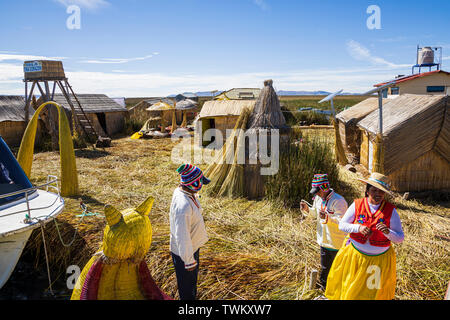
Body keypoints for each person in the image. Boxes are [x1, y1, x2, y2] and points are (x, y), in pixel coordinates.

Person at [325, 172, 404, 300]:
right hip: (355, 258)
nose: (378, 194)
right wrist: (358, 228)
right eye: (374, 190)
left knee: (371, 292)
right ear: (367, 191)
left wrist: (388, 232)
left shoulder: (391, 211)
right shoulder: (357, 205)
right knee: (350, 288)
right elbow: (342, 225)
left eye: (381, 192)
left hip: (377, 263)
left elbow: (400, 238)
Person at [300, 173, 348, 291]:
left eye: (318, 191)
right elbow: (314, 214)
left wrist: (327, 218)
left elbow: (342, 222)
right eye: (315, 191)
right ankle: (324, 289)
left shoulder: (339, 201)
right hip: (323, 241)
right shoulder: (318, 199)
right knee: (325, 268)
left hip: (337, 243)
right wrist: (307, 209)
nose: (316, 194)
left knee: (338, 269)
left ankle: (338, 291)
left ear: (325, 188)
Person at [169, 163, 210, 300]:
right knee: (187, 289)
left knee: (190, 284)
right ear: (194, 184)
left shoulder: (183, 192)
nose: (202, 187)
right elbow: (182, 236)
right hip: (185, 253)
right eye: (201, 183)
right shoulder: (183, 207)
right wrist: (189, 261)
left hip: (190, 247)